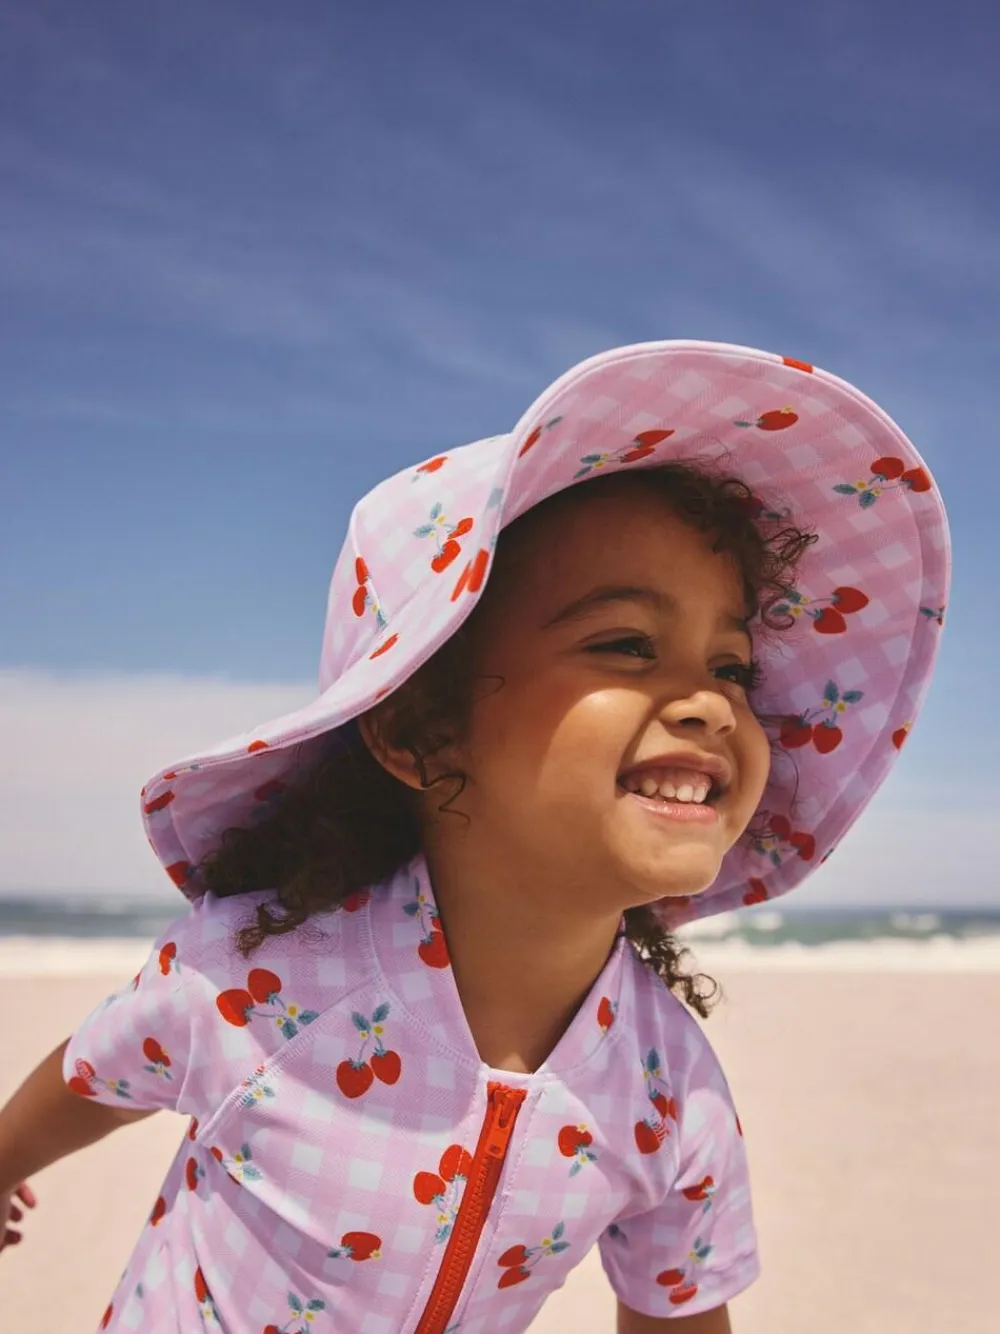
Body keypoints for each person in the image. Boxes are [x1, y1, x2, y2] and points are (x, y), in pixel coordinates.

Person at [0, 341, 949, 1333]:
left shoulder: (667, 1088)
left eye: (734, 666)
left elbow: (676, 1306)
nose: (711, 703)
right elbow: (95, 1072)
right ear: (422, 727)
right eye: (626, 641)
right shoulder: (255, 978)